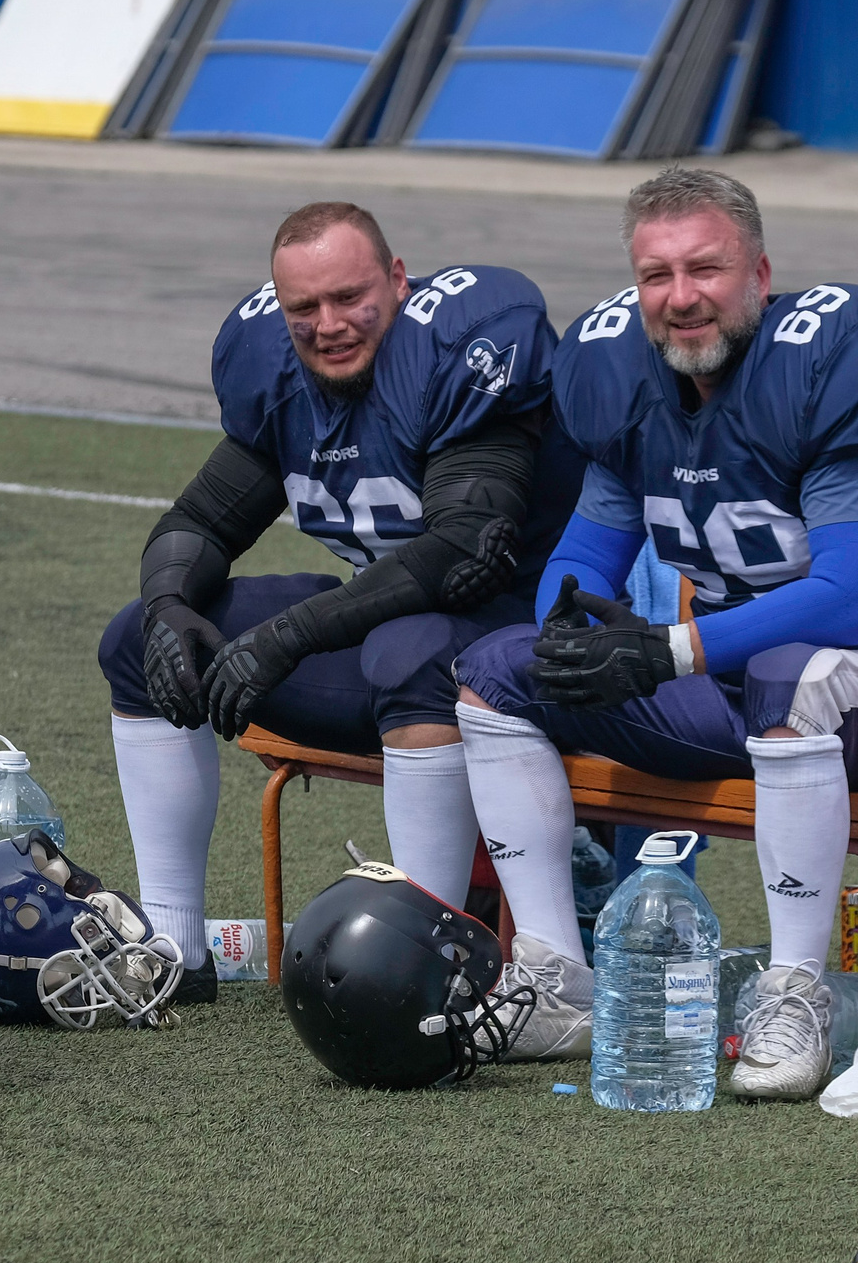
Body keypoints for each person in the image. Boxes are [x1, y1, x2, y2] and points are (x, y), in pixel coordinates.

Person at [453, 168, 858, 1088]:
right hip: (743, 695)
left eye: (706, 269)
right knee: (500, 667)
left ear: (760, 274)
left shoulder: (829, 362)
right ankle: (555, 972)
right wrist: (572, 636)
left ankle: (795, 992)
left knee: (793, 669)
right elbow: (583, 557)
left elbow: (846, 599)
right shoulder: (622, 375)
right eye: (657, 275)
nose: (681, 297)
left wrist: (664, 649)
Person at [99, 202, 583, 1001]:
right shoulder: (279, 373)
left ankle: (426, 963)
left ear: (398, 280)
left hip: (517, 649)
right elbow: (197, 521)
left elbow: (464, 554)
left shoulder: (459, 349)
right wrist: (166, 607)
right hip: (388, 636)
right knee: (132, 638)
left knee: (410, 649)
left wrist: (289, 636)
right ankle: (174, 947)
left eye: (350, 297)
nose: (328, 324)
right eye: (304, 308)